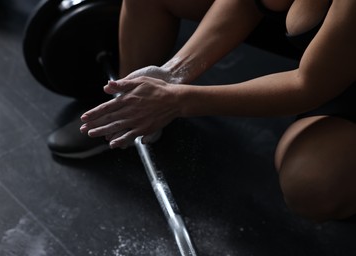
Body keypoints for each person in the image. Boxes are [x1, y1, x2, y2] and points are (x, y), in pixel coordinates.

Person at [77, 0, 356, 222]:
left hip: (333, 75)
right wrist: (172, 73)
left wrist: (178, 101)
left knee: (313, 184)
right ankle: (125, 114)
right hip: (326, 48)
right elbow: (248, 3)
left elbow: (308, 85)